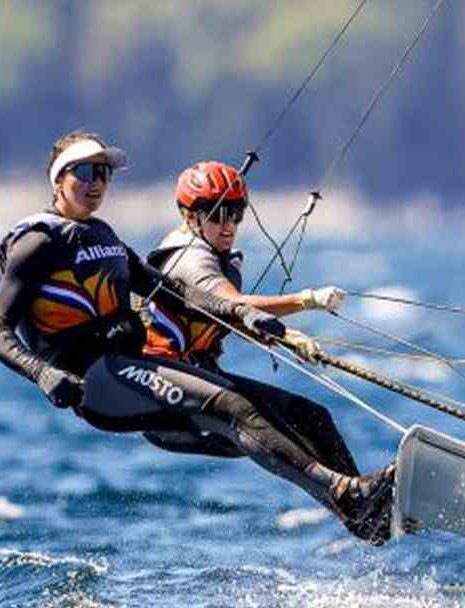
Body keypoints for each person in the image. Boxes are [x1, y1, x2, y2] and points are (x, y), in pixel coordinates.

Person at [0, 131, 394, 544]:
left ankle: (366, 514)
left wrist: (242, 313)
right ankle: (345, 492)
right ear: (58, 179)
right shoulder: (38, 241)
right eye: (86, 172)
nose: (96, 183)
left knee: (309, 416)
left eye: (104, 174)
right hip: (96, 380)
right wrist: (42, 375)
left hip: (133, 367)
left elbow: (174, 293)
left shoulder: (103, 236)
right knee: (234, 407)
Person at [140, 160, 395, 541]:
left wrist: (285, 337)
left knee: (313, 418)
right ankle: (349, 499)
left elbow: (224, 320)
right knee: (255, 419)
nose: (227, 224)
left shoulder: (217, 252)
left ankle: (365, 511)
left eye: (236, 213)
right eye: (215, 213)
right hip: (165, 403)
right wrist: (307, 300)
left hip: (202, 380)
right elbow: (235, 305)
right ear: (188, 215)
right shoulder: (189, 259)